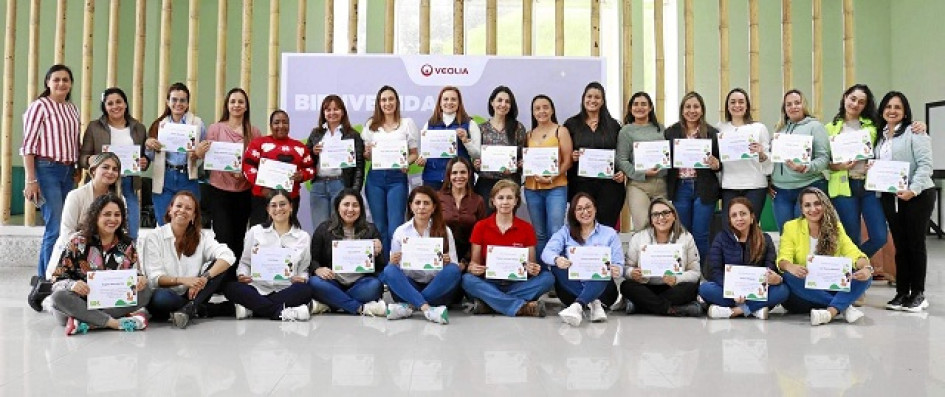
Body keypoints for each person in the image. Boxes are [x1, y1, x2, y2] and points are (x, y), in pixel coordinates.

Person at [49, 194, 150, 335]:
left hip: (112, 302)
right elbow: (56, 281)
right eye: (107, 214)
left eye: (117, 215)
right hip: (81, 302)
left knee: (147, 290)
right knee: (58, 297)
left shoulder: (127, 245)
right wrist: (72, 285)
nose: (113, 219)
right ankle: (113, 323)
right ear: (96, 216)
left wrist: (140, 279)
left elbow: (134, 275)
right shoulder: (78, 242)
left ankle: (88, 322)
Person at [875, 91, 934, 312]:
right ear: (882, 110)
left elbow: (926, 166)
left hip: (918, 196)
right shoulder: (880, 137)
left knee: (915, 245)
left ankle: (918, 293)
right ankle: (902, 293)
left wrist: (913, 189)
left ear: (905, 111)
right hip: (891, 198)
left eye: (897, 107)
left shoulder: (915, 132)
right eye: (888, 106)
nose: (892, 111)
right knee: (900, 246)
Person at [21, 64, 81, 280]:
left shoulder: (72, 109)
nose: (61, 83)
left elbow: (75, 141)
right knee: (54, 226)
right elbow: (28, 145)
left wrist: (76, 167)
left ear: (71, 83)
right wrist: (31, 179)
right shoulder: (39, 106)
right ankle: (46, 280)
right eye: (56, 79)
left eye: (65, 79)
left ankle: (60, 274)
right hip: (46, 170)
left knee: (68, 225)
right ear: (47, 82)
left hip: (67, 171)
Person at [778, 187, 872, 325]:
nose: (813, 209)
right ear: (802, 209)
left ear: (825, 205)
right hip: (803, 293)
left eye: (817, 203)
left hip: (829, 286)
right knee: (788, 276)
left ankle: (830, 312)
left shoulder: (836, 227)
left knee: (866, 277)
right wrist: (790, 266)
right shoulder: (791, 227)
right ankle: (843, 307)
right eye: (807, 205)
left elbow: (854, 254)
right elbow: (782, 259)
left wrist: (866, 268)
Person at [142, 191, 237, 329]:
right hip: (166, 294)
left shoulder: (201, 237)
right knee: (161, 298)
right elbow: (154, 279)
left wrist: (204, 278)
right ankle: (200, 309)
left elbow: (228, 255)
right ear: (170, 210)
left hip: (193, 292)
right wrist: (183, 280)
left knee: (221, 267)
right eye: (178, 206)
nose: (182, 210)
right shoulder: (154, 237)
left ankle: (189, 309)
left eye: (188, 208)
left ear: (193, 216)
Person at [462, 180, 554, 317]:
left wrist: (533, 269)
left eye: (509, 198)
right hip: (489, 281)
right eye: (500, 198)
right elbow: (474, 264)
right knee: (467, 280)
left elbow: (531, 265)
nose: (505, 202)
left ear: (516, 201)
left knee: (548, 278)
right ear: (493, 201)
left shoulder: (526, 228)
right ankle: (520, 307)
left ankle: (490, 304)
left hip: (517, 283)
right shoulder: (481, 226)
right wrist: (472, 268)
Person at [195, 88, 261, 272]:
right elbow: (206, 158)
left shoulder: (254, 132)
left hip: (244, 191)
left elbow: (258, 162)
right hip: (219, 190)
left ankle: (233, 280)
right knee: (223, 236)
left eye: (241, 102)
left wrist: (246, 172)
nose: (236, 105)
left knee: (239, 236)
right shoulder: (216, 129)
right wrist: (201, 151)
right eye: (233, 101)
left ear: (246, 106)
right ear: (227, 105)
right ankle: (221, 276)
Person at [223, 189, 313, 321]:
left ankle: (252, 308)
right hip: (257, 287)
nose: (278, 209)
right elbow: (245, 262)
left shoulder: (303, 237)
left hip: (286, 288)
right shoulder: (255, 231)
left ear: (291, 207)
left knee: (305, 291)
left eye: (283, 204)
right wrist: (242, 275)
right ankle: (279, 312)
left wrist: (302, 278)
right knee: (230, 288)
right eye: (274, 205)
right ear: (268, 210)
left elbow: (304, 268)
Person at [380, 186, 462, 324]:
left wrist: (447, 262)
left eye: (426, 203)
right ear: (411, 206)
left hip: (437, 288)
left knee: (453, 270)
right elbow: (395, 269)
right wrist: (393, 261)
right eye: (417, 203)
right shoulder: (401, 232)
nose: (421, 207)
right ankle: (427, 309)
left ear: (434, 207)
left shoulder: (444, 230)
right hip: (410, 286)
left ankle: (411, 306)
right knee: (389, 270)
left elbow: (454, 264)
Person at [699, 198, 789, 319]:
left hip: (756, 292)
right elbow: (715, 271)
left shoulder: (765, 239)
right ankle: (754, 309)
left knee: (782, 290)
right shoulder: (721, 238)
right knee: (705, 288)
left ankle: (735, 311)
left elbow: (770, 267)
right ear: (730, 220)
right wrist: (732, 291)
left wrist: (774, 278)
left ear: (752, 217)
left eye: (743, 214)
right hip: (729, 292)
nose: (739, 218)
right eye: (734, 215)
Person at [542, 193, 623, 326]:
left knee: (604, 267)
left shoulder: (609, 233)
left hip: (604, 292)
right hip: (570, 291)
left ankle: (579, 304)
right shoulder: (565, 232)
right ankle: (594, 303)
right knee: (556, 264)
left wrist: (616, 270)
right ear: (573, 213)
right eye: (579, 209)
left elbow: (619, 265)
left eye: (588, 207)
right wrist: (557, 259)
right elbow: (546, 253)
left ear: (595, 209)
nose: (584, 212)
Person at [41, 153, 124, 284]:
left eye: (115, 169)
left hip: (108, 255)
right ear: (93, 170)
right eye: (106, 167)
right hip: (75, 254)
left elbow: (120, 232)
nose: (110, 172)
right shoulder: (75, 196)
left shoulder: (120, 199)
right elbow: (66, 233)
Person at [80, 87, 149, 239]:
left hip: (128, 184)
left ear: (125, 104)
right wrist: (90, 160)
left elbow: (143, 157)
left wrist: (145, 162)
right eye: (110, 103)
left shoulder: (139, 128)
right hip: (102, 183)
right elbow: (82, 157)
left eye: (119, 102)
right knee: (99, 228)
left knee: (131, 229)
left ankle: (128, 259)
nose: (115, 106)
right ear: (104, 107)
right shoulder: (94, 127)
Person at [307, 188, 388, 316]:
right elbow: (312, 259)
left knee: (375, 286)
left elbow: (380, 267)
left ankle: (330, 303)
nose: (350, 209)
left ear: (361, 209)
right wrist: (317, 269)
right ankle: (359, 308)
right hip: (333, 281)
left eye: (355, 205)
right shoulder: (324, 229)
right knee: (314, 282)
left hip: (361, 283)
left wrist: (378, 251)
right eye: (346, 204)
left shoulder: (370, 230)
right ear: (338, 207)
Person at [619, 198, 703, 317]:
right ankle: (672, 309)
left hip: (673, 288)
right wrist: (632, 273)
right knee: (626, 286)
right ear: (651, 219)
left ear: (674, 215)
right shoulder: (638, 238)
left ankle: (641, 306)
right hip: (647, 287)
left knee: (692, 288)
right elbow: (626, 267)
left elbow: (695, 273)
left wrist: (676, 279)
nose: (661, 218)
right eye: (655, 214)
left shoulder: (686, 237)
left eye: (665, 213)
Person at [664, 92, 721, 260]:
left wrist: (716, 164)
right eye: (687, 107)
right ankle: (685, 273)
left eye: (696, 107)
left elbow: (720, 163)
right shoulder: (671, 132)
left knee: (701, 234)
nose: (692, 110)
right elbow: (665, 159)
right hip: (680, 187)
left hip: (704, 188)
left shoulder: (712, 133)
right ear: (682, 110)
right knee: (683, 234)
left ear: (702, 110)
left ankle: (704, 274)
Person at [362, 86, 420, 254]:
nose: (387, 103)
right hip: (375, 179)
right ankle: (382, 268)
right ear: (379, 103)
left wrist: (406, 163)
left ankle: (394, 266)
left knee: (395, 227)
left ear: (397, 101)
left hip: (397, 179)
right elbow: (367, 156)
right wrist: (368, 153)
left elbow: (414, 154)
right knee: (379, 226)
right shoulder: (371, 125)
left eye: (390, 99)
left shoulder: (407, 124)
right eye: (383, 100)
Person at [564, 82, 626, 228]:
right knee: (582, 227)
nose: (593, 100)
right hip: (580, 185)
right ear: (583, 98)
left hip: (609, 187)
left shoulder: (614, 125)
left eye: (597, 97)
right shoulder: (571, 124)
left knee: (605, 227)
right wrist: (572, 156)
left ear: (603, 101)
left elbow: (622, 154)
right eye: (589, 96)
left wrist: (622, 172)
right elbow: (563, 154)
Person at [145, 82, 206, 225]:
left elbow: (205, 155)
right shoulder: (159, 125)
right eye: (174, 100)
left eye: (182, 100)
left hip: (188, 177)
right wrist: (148, 147)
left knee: (189, 224)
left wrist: (198, 153)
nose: (178, 103)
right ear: (167, 102)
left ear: (188, 103)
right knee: (164, 223)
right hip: (165, 177)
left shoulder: (198, 124)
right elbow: (152, 157)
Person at [771, 89, 830, 232]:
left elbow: (824, 158)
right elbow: (774, 160)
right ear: (784, 109)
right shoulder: (780, 129)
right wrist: (769, 180)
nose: (793, 107)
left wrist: (806, 167)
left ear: (804, 104)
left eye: (797, 103)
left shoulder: (815, 126)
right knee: (786, 235)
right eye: (788, 104)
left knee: (805, 235)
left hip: (808, 187)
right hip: (780, 192)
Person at [243, 110, 315, 226]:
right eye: (276, 122)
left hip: (290, 199)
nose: (281, 126)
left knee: (288, 233)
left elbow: (310, 168)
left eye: (284, 122)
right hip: (262, 198)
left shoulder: (300, 147)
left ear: (289, 125)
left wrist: (302, 175)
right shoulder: (258, 144)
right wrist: (261, 187)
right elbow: (247, 166)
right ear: (271, 126)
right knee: (260, 234)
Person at [524, 95, 573, 260]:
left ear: (552, 110)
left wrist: (553, 176)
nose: (541, 111)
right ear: (533, 112)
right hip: (532, 188)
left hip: (556, 187)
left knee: (555, 231)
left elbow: (568, 161)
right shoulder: (528, 134)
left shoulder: (561, 130)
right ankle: (544, 270)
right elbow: (526, 160)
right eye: (537, 108)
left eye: (545, 107)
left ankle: (557, 271)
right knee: (539, 233)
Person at [306, 95, 365, 229]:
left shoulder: (352, 134)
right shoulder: (316, 133)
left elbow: (359, 166)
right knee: (320, 228)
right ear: (323, 113)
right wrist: (313, 153)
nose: (332, 113)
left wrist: (354, 191)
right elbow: (305, 160)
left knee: (339, 228)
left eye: (336, 109)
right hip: (318, 186)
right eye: (328, 110)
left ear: (343, 111)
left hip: (341, 184)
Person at [616, 91, 668, 231]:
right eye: (636, 104)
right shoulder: (626, 131)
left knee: (662, 227)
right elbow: (622, 160)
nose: (639, 107)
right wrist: (642, 173)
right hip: (638, 185)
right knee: (643, 226)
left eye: (644, 104)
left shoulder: (661, 129)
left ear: (650, 108)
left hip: (662, 185)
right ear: (630, 108)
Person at [717, 88, 772, 217]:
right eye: (733, 102)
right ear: (727, 106)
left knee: (751, 228)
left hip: (755, 185)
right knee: (730, 229)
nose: (737, 105)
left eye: (741, 102)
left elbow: (769, 161)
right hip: (729, 185)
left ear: (747, 106)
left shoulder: (759, 128)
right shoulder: (719, 128)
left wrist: (761, 154)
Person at [416, 86, 482, 190]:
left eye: (453, 99)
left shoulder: (470, 124)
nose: (449, 102)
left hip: (460, 178)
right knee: (433, 206)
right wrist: (422, 158)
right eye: (446, 99)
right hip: (433, 178)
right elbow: (425, 151)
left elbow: (477, 154)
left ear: (459, 103)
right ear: (440, 103)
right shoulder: (430, 123)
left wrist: (465, 141)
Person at [473, 86, 527, 211]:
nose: (503, 104)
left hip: (510, 183)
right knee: (486, 222)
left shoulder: (518, 128)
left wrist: (518, 165)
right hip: (486, 183)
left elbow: (523, 157)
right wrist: (476, 164)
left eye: (507, 102)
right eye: (499, 100)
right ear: (492, 102)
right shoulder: (480, 129)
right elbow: (474, 157)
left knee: (507, 223)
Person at [437, 157, 486, 265]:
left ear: (469, 175)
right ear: (449, 176)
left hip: (470, 262)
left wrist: (465, 262)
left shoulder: (478, 200)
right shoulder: (437, 198)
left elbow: (481, 235)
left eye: (463, 172)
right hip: (441, 260)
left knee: (469, 281)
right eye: (454, 173)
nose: (459, 176)